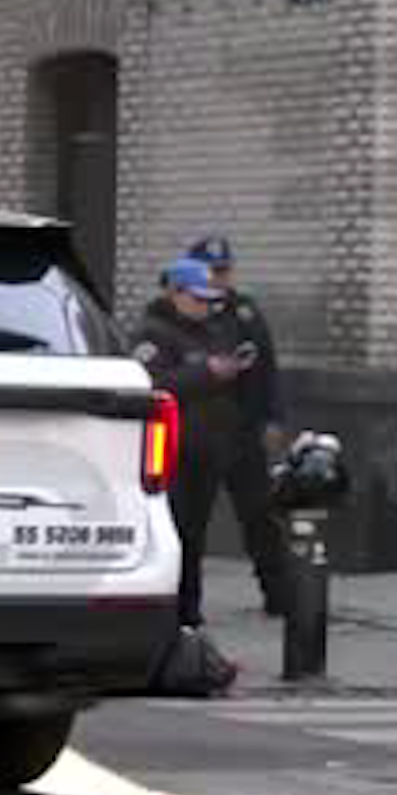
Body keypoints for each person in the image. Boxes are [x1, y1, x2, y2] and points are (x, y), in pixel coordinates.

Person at [132, 257, 266, 628]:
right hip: (172, 452)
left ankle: (190, 611)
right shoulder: (151, 334)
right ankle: (168, 613)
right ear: (174, 293)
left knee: (195, 536)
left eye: (210, 300)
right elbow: (153, 385)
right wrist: (206, 372)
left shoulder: (210, 330)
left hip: (209, 450)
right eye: (198, 298)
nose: (206, 307)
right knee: (173, 533)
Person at [184, 235, 290, 615]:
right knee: (191, 522)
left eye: (224, 271)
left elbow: (267, 370)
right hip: (200, 435)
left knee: (261, 516)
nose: (219, 279)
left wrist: (273, 418)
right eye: (212, 272)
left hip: (244, 430)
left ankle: (280, 595)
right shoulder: (185, 313)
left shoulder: (244, 312)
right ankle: (185, 607)